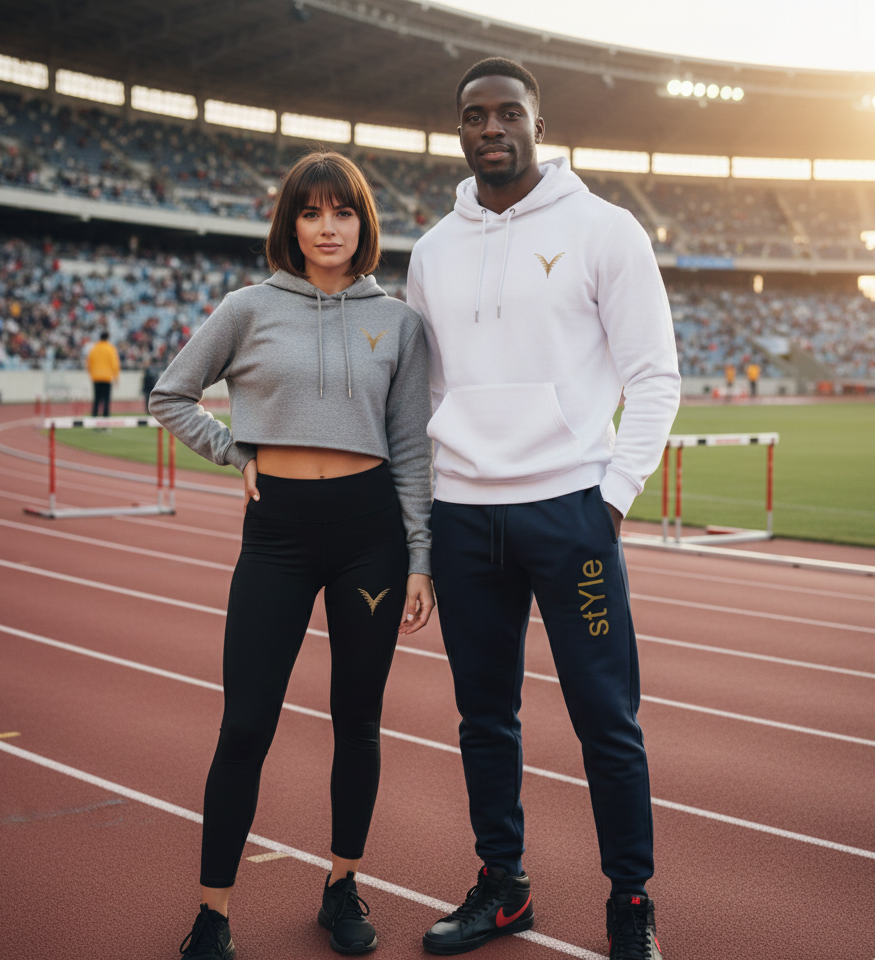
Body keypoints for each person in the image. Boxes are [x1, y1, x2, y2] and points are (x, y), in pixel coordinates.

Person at [407, 58, 680, 959]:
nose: (491, 127)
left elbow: (654, 376)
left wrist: (614, 498)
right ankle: (504, 886)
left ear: (537, 124)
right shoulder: (433, 251)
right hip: (463, 516)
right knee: (484, 718)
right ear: (458, 130)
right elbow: (426, 391)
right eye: (474, 115)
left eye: (508, 113)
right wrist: (429, 514)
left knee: (607, 719)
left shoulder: (605, 230)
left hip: (570, 514)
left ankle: (631, 900)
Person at [149, 151, 434, 959]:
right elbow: (169, 394)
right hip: (276, 533)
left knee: (358, 720)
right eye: (311, 213)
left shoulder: (401, 323)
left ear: (362, 223)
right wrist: (233, 449)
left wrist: (421, 556)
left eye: (341, 212)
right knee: (245, 724)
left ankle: (342, 886)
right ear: (291, 224)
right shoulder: (247, 308)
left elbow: (412, 448)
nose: (327, 227)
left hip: (370, 536)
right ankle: (213, 915)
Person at [86, 330, 120, 417]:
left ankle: (94, 417)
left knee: (96, 399)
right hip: (107, 377)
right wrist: (116, 377)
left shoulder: (94, 348)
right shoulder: (110, 348)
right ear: (107, 338)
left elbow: (89, 363)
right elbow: (114, 364)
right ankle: (105, 418)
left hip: (96, 377)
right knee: (106, 399)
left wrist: (91, 374)